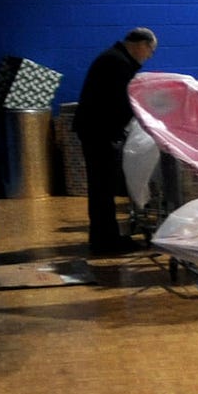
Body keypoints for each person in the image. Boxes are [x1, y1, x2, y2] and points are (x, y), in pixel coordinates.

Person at [73, 27, 155, 256]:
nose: (148, 57)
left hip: (95, 130)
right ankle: (105, 242)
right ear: (142, 44)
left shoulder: (114, 58)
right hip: (98, 132)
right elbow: (122, 103)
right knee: (102, 188)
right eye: (151, 51)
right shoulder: (118, 63)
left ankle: (105, 237)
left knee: (102, 188)